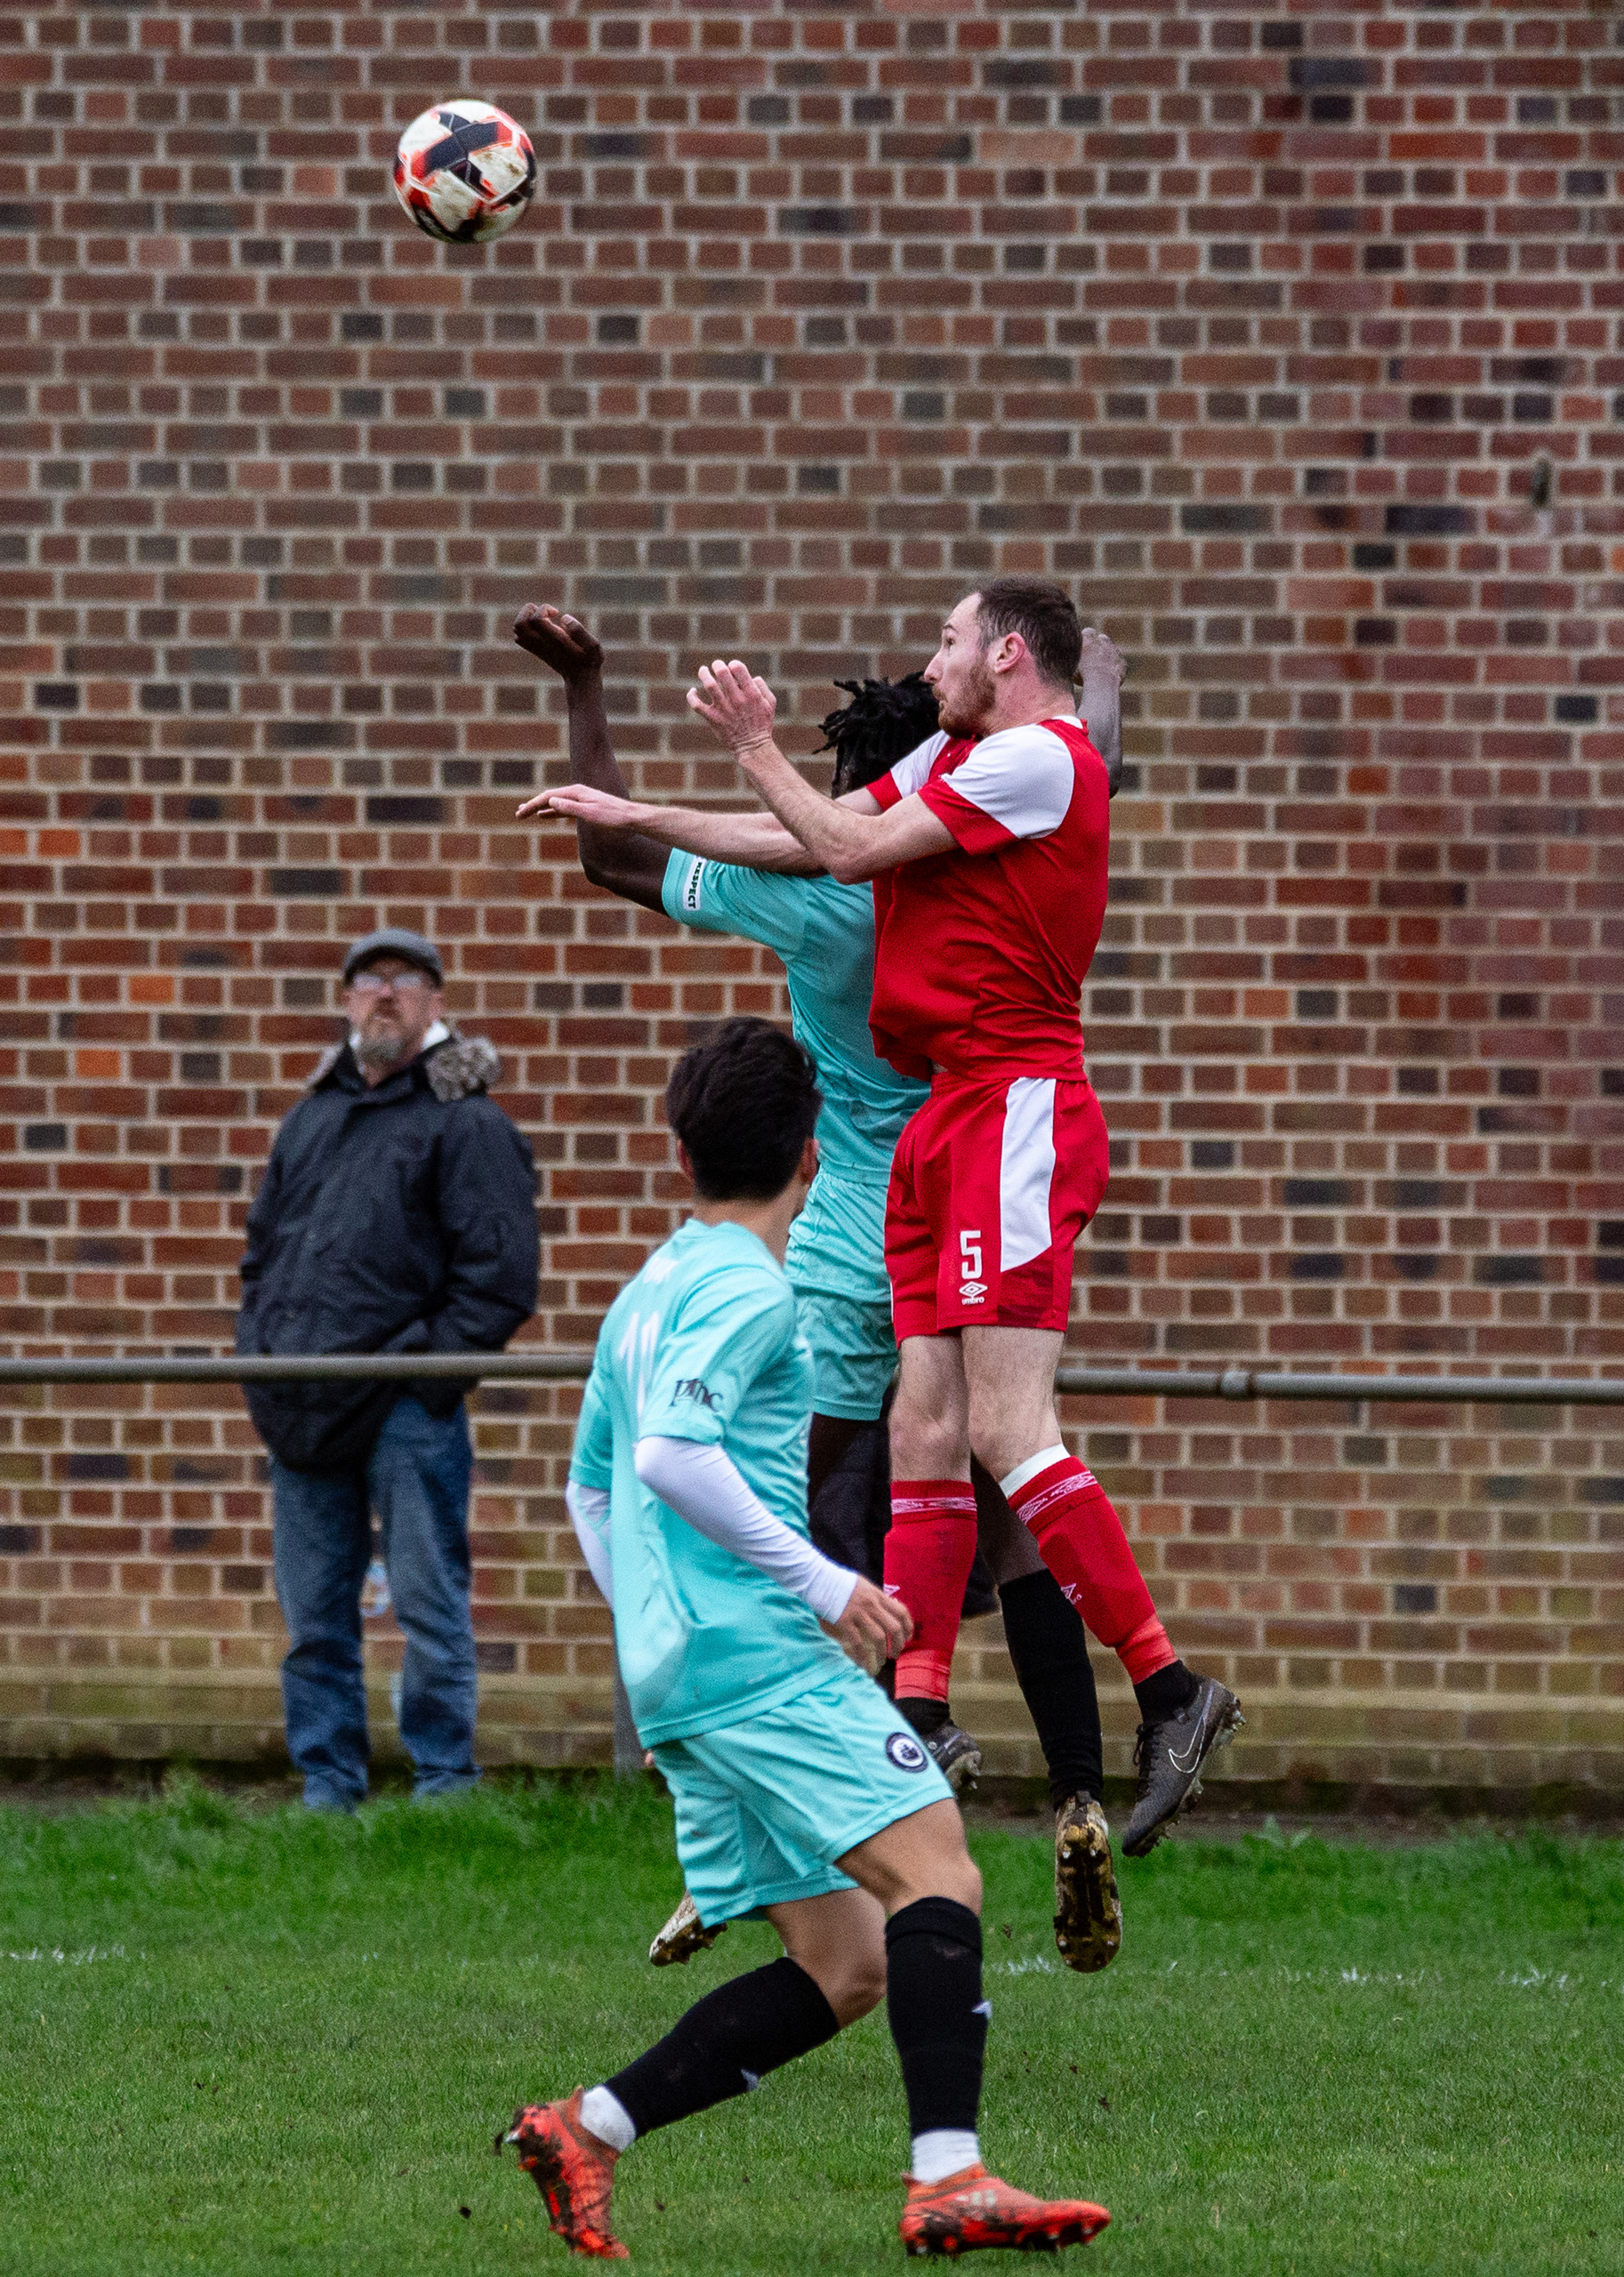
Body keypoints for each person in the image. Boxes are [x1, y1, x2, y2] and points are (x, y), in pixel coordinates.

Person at [514, 604, 1124, 1973]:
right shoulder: (982, 847)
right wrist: (1089, 688)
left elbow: (617, 853)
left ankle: (806, 1801)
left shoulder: (823, 885)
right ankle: (1082, 1787)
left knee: (822, 1530)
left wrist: (591, 687)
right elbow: (1075, 772)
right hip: (997, 1179)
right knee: (1010, 1494)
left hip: (860, 1222)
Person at [500, 1018, 1109, 2262]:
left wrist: (653, 1655)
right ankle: (950, 2179)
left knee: (849, 1963)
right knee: (941, 1873)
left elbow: (592, 1491)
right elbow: (669, 1458)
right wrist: (824, 1585)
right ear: (815, 1155)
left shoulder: (649, 1290)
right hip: (758, 1659)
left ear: (683, 1155)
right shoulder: (748, 1288)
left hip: (687, 1677)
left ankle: (586, 2128)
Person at [680, 580, 1242, 1859]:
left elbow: (844, 842)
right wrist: (618, 804)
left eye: (947, 640)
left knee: (1001, 1434)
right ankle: (923, 1714)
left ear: (1000, 656)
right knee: (925, 1431)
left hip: (1006, 1111)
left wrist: (751, 740)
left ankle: (1165, 1691)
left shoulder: (1010, 768)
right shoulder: (972, 767)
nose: (930, 661)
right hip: (940, 1131)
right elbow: (827, 828)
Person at [237, 928, 538, 1811]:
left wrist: (425, 1376)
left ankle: (444, 1784)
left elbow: (500, 1278)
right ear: (345, 1000)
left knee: (428, 1605)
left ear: (435, 1004)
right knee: (314, 1620)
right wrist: (261, 1360)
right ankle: (327, 1783)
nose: (385, 995)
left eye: (406, 981)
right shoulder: (312, 1116)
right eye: (369, 980)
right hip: (300, 1406)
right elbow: (262, 1256)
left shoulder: (467, 1123)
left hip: (408, 1411)